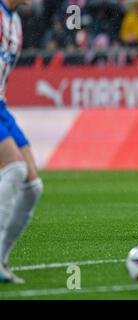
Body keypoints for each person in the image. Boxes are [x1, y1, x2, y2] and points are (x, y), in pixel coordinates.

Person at [0, 0, 44, 283]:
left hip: (2, 107)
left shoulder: (15, 21)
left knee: (32, 186)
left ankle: (1, 260)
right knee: (15, 170)